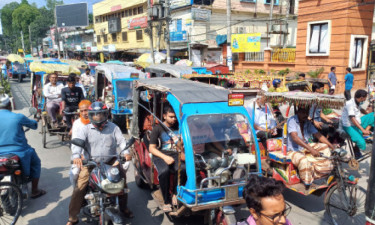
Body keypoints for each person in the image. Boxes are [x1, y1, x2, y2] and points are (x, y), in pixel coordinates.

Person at [67, 102, 133, 225]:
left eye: (101, 114)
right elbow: (77, 144)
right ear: (91, 116)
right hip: (91, 163)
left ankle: (123, 208)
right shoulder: (84, 129)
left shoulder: (114, 127)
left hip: (111, 162)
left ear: (105, 115)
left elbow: (122, 142)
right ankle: (72, 217)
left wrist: (126, 153)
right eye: (95, 115)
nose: (98, 117)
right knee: (79, 187)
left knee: (122, 184)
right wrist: (76, 156)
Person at [0, 94, 46, 199]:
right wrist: (35, 120)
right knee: (36, 163)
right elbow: (33, 125)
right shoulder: (18, 117)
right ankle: (34, 191)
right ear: (10, 105)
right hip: (19, 151)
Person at [287, 104, 335, 186]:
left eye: (307, 113)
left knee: (325, 147)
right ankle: (307, 182)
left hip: (305, 147)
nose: (305, 115)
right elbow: (295, 137)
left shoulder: (307, 121)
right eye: (303, 113)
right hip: (293, 150)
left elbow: (318, 135)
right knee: (304, 161)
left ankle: (321, 171)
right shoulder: (292, 120)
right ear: (298, 112)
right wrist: (311, 149)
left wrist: (331, 146)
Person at [149, 106, 181, 212]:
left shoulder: (179, 127)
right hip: (160, 155)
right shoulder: (158, 129)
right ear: (164, 116)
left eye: (175, 117)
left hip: (177, 154)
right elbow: (151, 148)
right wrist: (165, 157)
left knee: (182, 169)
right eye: (171, 117)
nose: (174, 119)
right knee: (164, 171)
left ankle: (175, 194)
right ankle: (166, 201)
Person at [341, 89, 374, 159]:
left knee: (372, 115)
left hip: (355, 123)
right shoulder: (350, 104)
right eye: (364, 99)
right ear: (361, 97)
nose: (364, 101)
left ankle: (356, 149)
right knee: (362, 143)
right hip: (348, 126)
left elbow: (361, 109)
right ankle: (356, 151)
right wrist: (363, 130)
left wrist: (368, 114)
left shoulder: (356, 101)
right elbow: (353, 119)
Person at [69, 100, 91, 187]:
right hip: (82, 155)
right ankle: (76, 191)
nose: (84, 113)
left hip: (98, 155)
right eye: (81, 111)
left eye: (86, 110)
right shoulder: (77, 123)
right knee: (74, 173)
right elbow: (75, 142)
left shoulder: (98, 121)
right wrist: (77, 156)